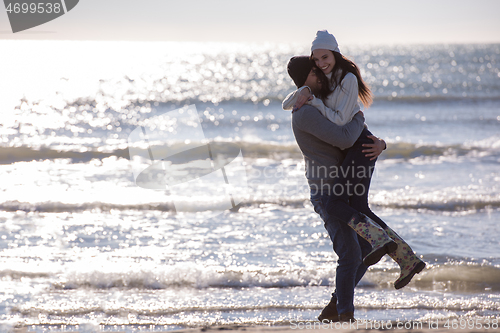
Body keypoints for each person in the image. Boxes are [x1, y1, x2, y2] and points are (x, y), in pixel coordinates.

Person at [284, 31, 425, 322]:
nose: (320, 70)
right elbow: (346, 137)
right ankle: (345, 311)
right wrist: (360, 118)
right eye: (314, 69)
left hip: (341, 183)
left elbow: (349, 131)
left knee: (358, 249)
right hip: (325, 189)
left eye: (323, 61)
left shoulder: (321, 94)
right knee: (353, 252)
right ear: (304, 80)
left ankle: (339, 308)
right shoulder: (305, 112)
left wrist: (380, 143)